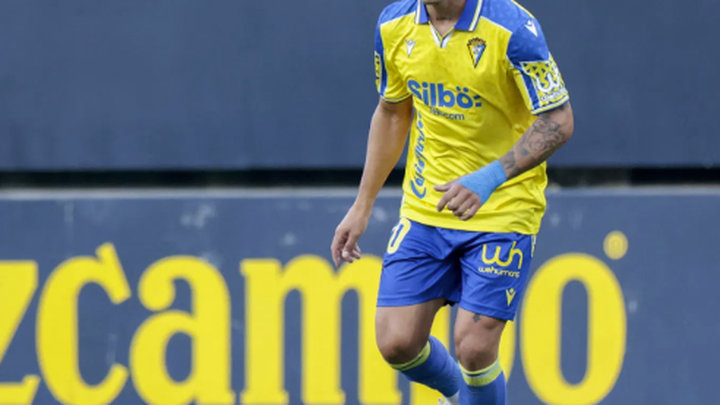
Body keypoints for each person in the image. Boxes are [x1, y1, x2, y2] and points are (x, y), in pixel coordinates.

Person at [331, 0, 574, 403]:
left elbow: (559, 120)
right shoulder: (394, 25)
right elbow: (393, 112)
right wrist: (362, 206)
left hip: (503, 207)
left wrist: (489, 178)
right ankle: (459, 396)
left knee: (474, 347)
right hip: (429, 206)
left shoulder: (513, 28)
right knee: (396, 342)